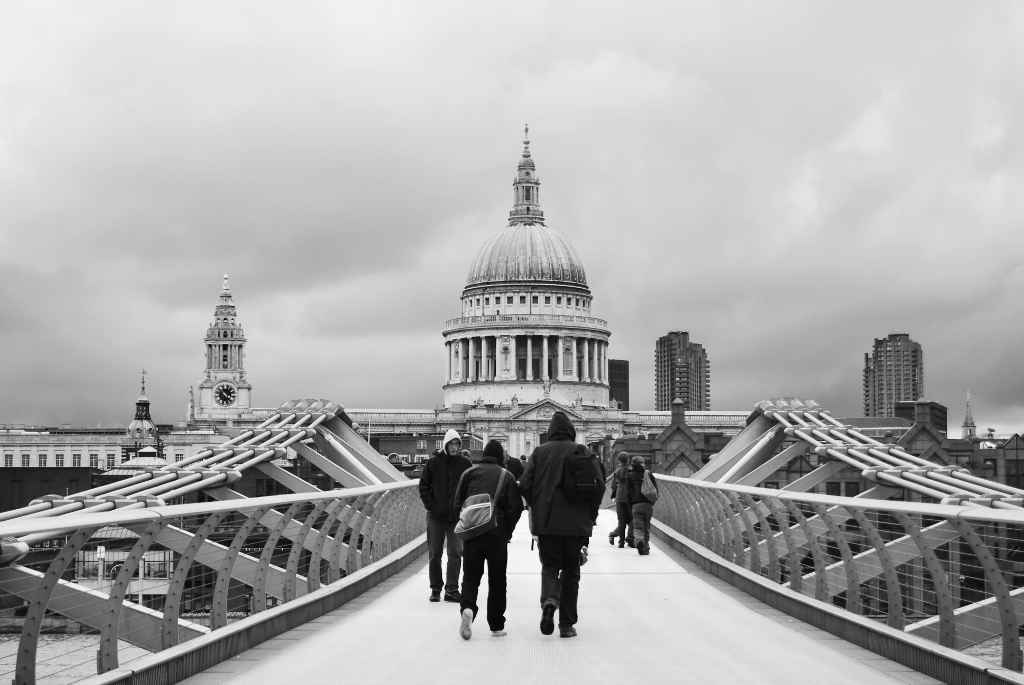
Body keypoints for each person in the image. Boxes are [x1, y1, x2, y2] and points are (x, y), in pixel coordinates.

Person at [519, 411, 604, 638]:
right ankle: (566, 624)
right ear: (571, 431)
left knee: (549, 567)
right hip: (576, 525)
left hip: (546, 523)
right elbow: (599, 487)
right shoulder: (582, 451)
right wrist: (590, 514)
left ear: (550, 432)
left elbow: (524, 485)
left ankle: (549, 601)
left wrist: (536, 505)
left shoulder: (539, 452)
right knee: (571, 572)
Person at [453, 440, 523, 640]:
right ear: (501, 456)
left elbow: (457, 502)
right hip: (497, 533)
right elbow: (516, 508)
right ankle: (496, 624)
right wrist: (507, 531)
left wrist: (466, 524)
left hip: (473, 532)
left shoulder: (468, 474)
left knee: (471, 576)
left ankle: (467, 608)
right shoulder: (506, 476)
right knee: (497, 579)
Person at [418, 429, 472, 602]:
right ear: (446, 444)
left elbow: (470, 488)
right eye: (452, 444)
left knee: (455, 553)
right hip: (435, 517)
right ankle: (435, 589)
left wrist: (464, 507)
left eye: (457, 444)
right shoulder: (433, 463)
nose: (455, 447)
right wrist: (431, 506)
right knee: (435, 554)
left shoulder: (465, 464)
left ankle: (451, 589)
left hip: (456, 517)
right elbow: (423, 486)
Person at [627, 455, 658, 555]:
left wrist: (631, 504)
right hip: (648, 504)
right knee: (646, 526)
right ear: (642, 464)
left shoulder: (630, 475)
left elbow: (628, 492)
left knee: (638, 527)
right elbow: (655, 489)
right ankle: (646, 547)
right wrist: (652, 501)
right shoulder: (648, 473)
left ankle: (639, 541)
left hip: (636, 505)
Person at [608, 454, 633, 548]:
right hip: (629, 497)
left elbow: (613, 486)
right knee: (632, 519)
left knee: (621, 520)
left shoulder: (617, 471)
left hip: (619, 497)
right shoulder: (631, 470)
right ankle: (630, 539)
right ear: (628, 460)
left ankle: (621, 542)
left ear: (619, 461)